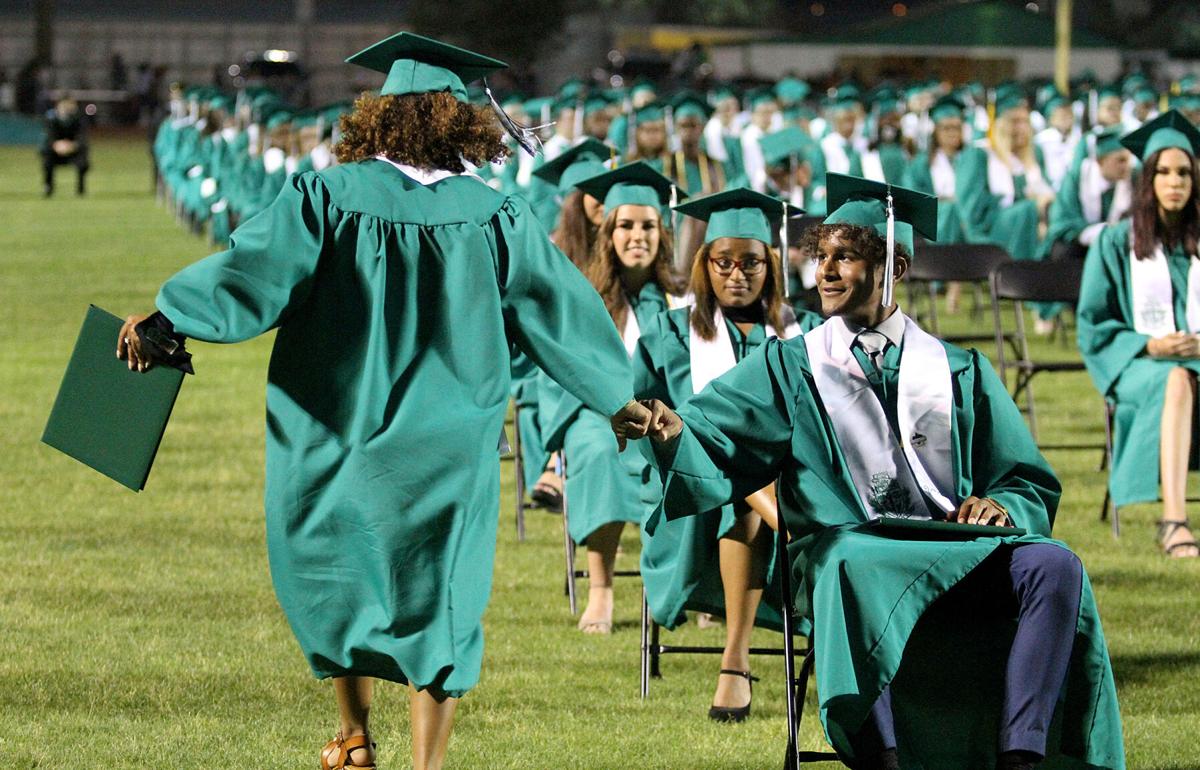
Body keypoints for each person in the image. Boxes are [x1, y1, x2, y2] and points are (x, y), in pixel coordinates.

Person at [116, 32, 651, 770]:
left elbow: (254, 272)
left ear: (380, 117)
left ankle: (355, 735)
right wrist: (616, 395)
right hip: (452, 442)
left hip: (342, 431)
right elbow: (556, 310)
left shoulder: (327, 197)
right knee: (442, 597)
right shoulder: (494, 215)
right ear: (461, 122)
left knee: (344, 573)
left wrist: (169, 319)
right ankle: (427, 765)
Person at [633, 175, 1123, 769]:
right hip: (850, 549)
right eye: (821, 257)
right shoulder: (792, 366)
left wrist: (1003, 505)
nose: (826, 272)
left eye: (846, 257)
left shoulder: (958, 368)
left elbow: (1024, 478)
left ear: (896, 267)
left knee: (1054, 563)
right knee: (850, 562)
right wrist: (669, 430)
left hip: (953, 546)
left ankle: (1022, 752)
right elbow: (713, 430)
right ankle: (882, 758)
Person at [633, 188, 818, 721]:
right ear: (704, 265)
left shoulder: (803, 333)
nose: (737, 274)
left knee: (751, 492)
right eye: (724, 262)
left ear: (771, 266)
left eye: (751, 262)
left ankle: (735, 664)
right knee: (741, 496)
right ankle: (735, 657)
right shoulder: (669, 332)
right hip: (692, 489)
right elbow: (641, 420)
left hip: (786, 482)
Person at [538, 161, 686, 634]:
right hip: (595, 413)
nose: (636, 235)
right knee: (599, 452)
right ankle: (601, 588)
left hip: (662, 416)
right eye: (626, 225)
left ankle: (692, 587)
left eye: (647, 226)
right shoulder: (583, 293)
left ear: (662, 234)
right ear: (609, 233)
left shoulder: (680, 299)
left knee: (691, 458)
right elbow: (559, 367)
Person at [1078, 109, 1200, 559]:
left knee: (1184, 376)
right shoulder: (1116, 242)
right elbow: (1093, 321)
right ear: (1148, 180)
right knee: (1176, 380)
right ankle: (1174, 521)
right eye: (1164, 172)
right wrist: (1150, 344)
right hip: (1139, 366)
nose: (1175, 182)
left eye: (1184, 172)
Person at [957, 91, 1051, 263]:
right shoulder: (980, 155)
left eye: (1025, 121)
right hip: (991, 231)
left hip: (1032, 225)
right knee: (1028, 209)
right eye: (1014, 121)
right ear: (999, 124)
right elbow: (972, 212)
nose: (1022, 128)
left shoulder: (1035, 154)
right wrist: (1031, 206)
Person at [1041, 127, 1133, 262]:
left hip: (1112, 243)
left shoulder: (1132, 180)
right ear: (1100, 161)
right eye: (1120, 160)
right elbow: (1063, 222)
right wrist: (1093, 232)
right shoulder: (1077, 179)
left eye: (1128, 160)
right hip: (1077, 243)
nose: (1127, 166)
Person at [41, 96, 89, 197]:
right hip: (55, 150)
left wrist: (72, 145)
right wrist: (56, 145)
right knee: (46, 154)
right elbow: (49, 135)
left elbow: (81, 136)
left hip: (73, 150)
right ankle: (48, 186)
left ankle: (81, 188)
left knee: (83, 155)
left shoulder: (78, 118)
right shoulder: (51, 118)